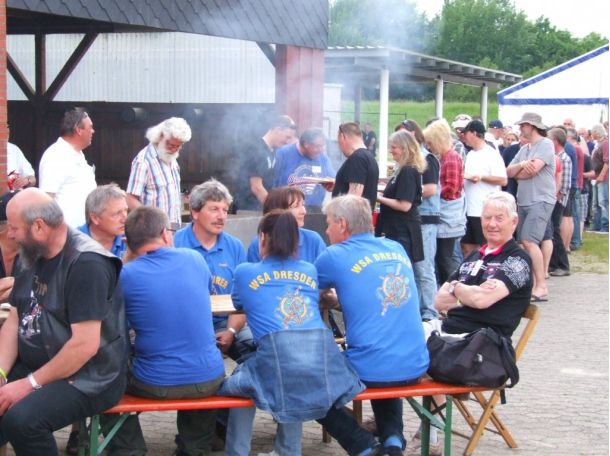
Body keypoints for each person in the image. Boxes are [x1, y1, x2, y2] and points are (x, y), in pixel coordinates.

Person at [220, 210, 364, 456]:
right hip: (320, 362)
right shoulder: (308, 270)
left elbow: (238, 302)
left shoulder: (245, 271)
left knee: (236, 385)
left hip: (276, 361)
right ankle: (287, 451)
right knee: (290, 380)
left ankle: (237, 451)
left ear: (263, 238)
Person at [0, 188, 127, 454]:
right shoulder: (31, 252)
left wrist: (28, 384)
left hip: (90, 376)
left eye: (14, 227)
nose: (9, 234)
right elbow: (14, 319)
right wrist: (0, 373)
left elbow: (84, 346)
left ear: (38, 226)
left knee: (23, 421)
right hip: (39, 363)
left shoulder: (87, 263)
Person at [409, 191, 533, 456]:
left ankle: (428, 432)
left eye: (499, 218)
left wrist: (457, 289)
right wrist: (467, 293)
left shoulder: (518, 261)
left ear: (514, 222)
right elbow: (439, 301)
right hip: (450, 335)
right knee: (395, 341)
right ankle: (391, 422)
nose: (492, 224)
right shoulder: (475, 256)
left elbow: (482, 300)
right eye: (487, 218)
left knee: (414, 355)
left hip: (483, 347)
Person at [105, 206, 225, 456]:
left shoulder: (125, 274)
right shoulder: (195, 259)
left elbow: (115, 328)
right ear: (165, 233)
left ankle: (130, 450)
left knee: (100, 385)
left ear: (128, 242)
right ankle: (194, 449)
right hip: (209, 378)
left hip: (153, 381)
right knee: (198, 371)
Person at [315, 195, 429, 456]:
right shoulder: (395, 247)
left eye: (328, 223)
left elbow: (302, 291)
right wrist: (341, 300)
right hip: (416, 363)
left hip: (372, 368)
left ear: (342, 224)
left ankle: (364, 447)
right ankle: (393, 443)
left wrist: (329, 299)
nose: (327, 230)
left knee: (307, 387)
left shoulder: (334, 255)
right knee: (383, 358)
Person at [174, 179, 254, 361]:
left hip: (227, 323)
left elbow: (244, 299)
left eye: (225, 210)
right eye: (214, 209)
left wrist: (231, 331)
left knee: (255, 348)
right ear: (195, 212)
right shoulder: (175, 243)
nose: (221, 216)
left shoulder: (235, 246)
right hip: (185, 326)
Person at [507, 112, 556, 301]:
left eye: (523, 125)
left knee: (529, 240)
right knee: (524, 243)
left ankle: (541, 286)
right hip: (524, 200)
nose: (520, 129)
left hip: (540, 199)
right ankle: (533, 284)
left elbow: (533, 170)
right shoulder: (525, 149)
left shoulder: (545, 144)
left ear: (532, 126)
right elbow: (509, 172)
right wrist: (522, 165)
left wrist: (520, 172)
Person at [396, 119, 442, 321]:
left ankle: (430, 312)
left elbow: (431, 189)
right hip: (411, 220)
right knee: (413, 268)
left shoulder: (427, 158)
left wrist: (407, 192)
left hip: (426, 219)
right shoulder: (406, 162)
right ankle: (417, 311)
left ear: (414, 134)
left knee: (424, 268)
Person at [423, 119, 466, 284]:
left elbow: (452, 187)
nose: (429, 147)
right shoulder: (446, 157)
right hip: (449, 216)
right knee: (445, 257)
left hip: (449, 216)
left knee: (445, 258)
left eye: (430, 143)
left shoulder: (451, 158)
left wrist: (433, 192)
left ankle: (455, 287)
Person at [126, 117, 192, 225]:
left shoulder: (172, 159)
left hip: (173, 228)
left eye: (179, 146)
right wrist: (150, 221)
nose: (174, 150)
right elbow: (130, 198)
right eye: (172, 145)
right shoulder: (143, 161)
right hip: (152, 230)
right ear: (161, 136)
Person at [376, 130, 425, 269]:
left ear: (405, 148)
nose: (391, 151)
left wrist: (378, 198)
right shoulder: (402, 169)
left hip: (402, 232)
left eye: (394, 147)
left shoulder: (407, 171)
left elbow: (404, 205)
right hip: (398, 230)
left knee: (399, 270)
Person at [38, 109, 96, 227]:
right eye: (90, 127)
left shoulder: (77, 153)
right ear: (78, 130)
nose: (93, 131)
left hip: (83, 230)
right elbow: (46, 199)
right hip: (67, 232)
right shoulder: (56, 155)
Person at [460, 120, 507, 256]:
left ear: (474, 133)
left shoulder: (491, 154)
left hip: (483, 208)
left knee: (486, 245)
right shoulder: (470, 154)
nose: (464, 137)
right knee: (467, 245)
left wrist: (481, 177)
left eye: (466, 133)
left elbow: (503, 180)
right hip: (468, 208)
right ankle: (472, 268)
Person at [234, 115, 297, 211]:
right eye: (287, 137)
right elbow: (256, 187)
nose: (288, 142)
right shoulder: (255, 149)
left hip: (261, 207)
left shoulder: (274, 151)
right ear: (278, 130)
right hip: (247, 209)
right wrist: (274, 209)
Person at [247, 187, 326, 263]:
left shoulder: (313, 240)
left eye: (303, 205)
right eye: (296, 206)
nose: (304, 211)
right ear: (277, 212)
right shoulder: (258, 243)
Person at [272, 127, 335, 209]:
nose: (321, 150)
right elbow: (272, 183)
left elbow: (334, 180)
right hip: (287, 208)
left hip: (314, 209)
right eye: (317, 146)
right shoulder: (283, 154)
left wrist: (332, 185)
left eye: (322, 146)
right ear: (306, 144)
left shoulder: (323, 158)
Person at [327, 122, 379, 213]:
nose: (339, 147)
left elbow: (354, 198)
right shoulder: (369, 157)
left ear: (343, 137)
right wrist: (338, 186)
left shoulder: (357, 158)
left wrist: (337, 217)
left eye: (338, 142)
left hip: (350, 220)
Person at [77, 183, 128, 258]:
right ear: (95, 218)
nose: (125, 219)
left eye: (126, 210)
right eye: (117, 214)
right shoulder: (73, 242)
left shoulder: (132, 239)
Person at [547, 128, 572, 277]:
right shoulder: (555, 157)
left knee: (555, 231)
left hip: (557, 200)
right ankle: (554, 263)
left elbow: (565, 185)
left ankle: (563, 265)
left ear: (555, 141)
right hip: (553, 199)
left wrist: (556, 198)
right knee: (552, 231)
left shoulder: (564, 158)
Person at [590, 123, 609, 232]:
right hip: (596, 177)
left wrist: (601, 175)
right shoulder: (598, 144)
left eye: (593, 132)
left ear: (596, 132)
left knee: (603, 202)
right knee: (596, 203)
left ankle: (605, 226)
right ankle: (596, 225)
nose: (591, 134)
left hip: (604, 177)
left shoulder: (605, 143)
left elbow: (607, 161)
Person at [6, 125, 36, 190]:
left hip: (16, 195)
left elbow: (32, 179)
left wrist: (26, 181)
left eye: (7, 127)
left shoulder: (14, 149)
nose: (7, 130)